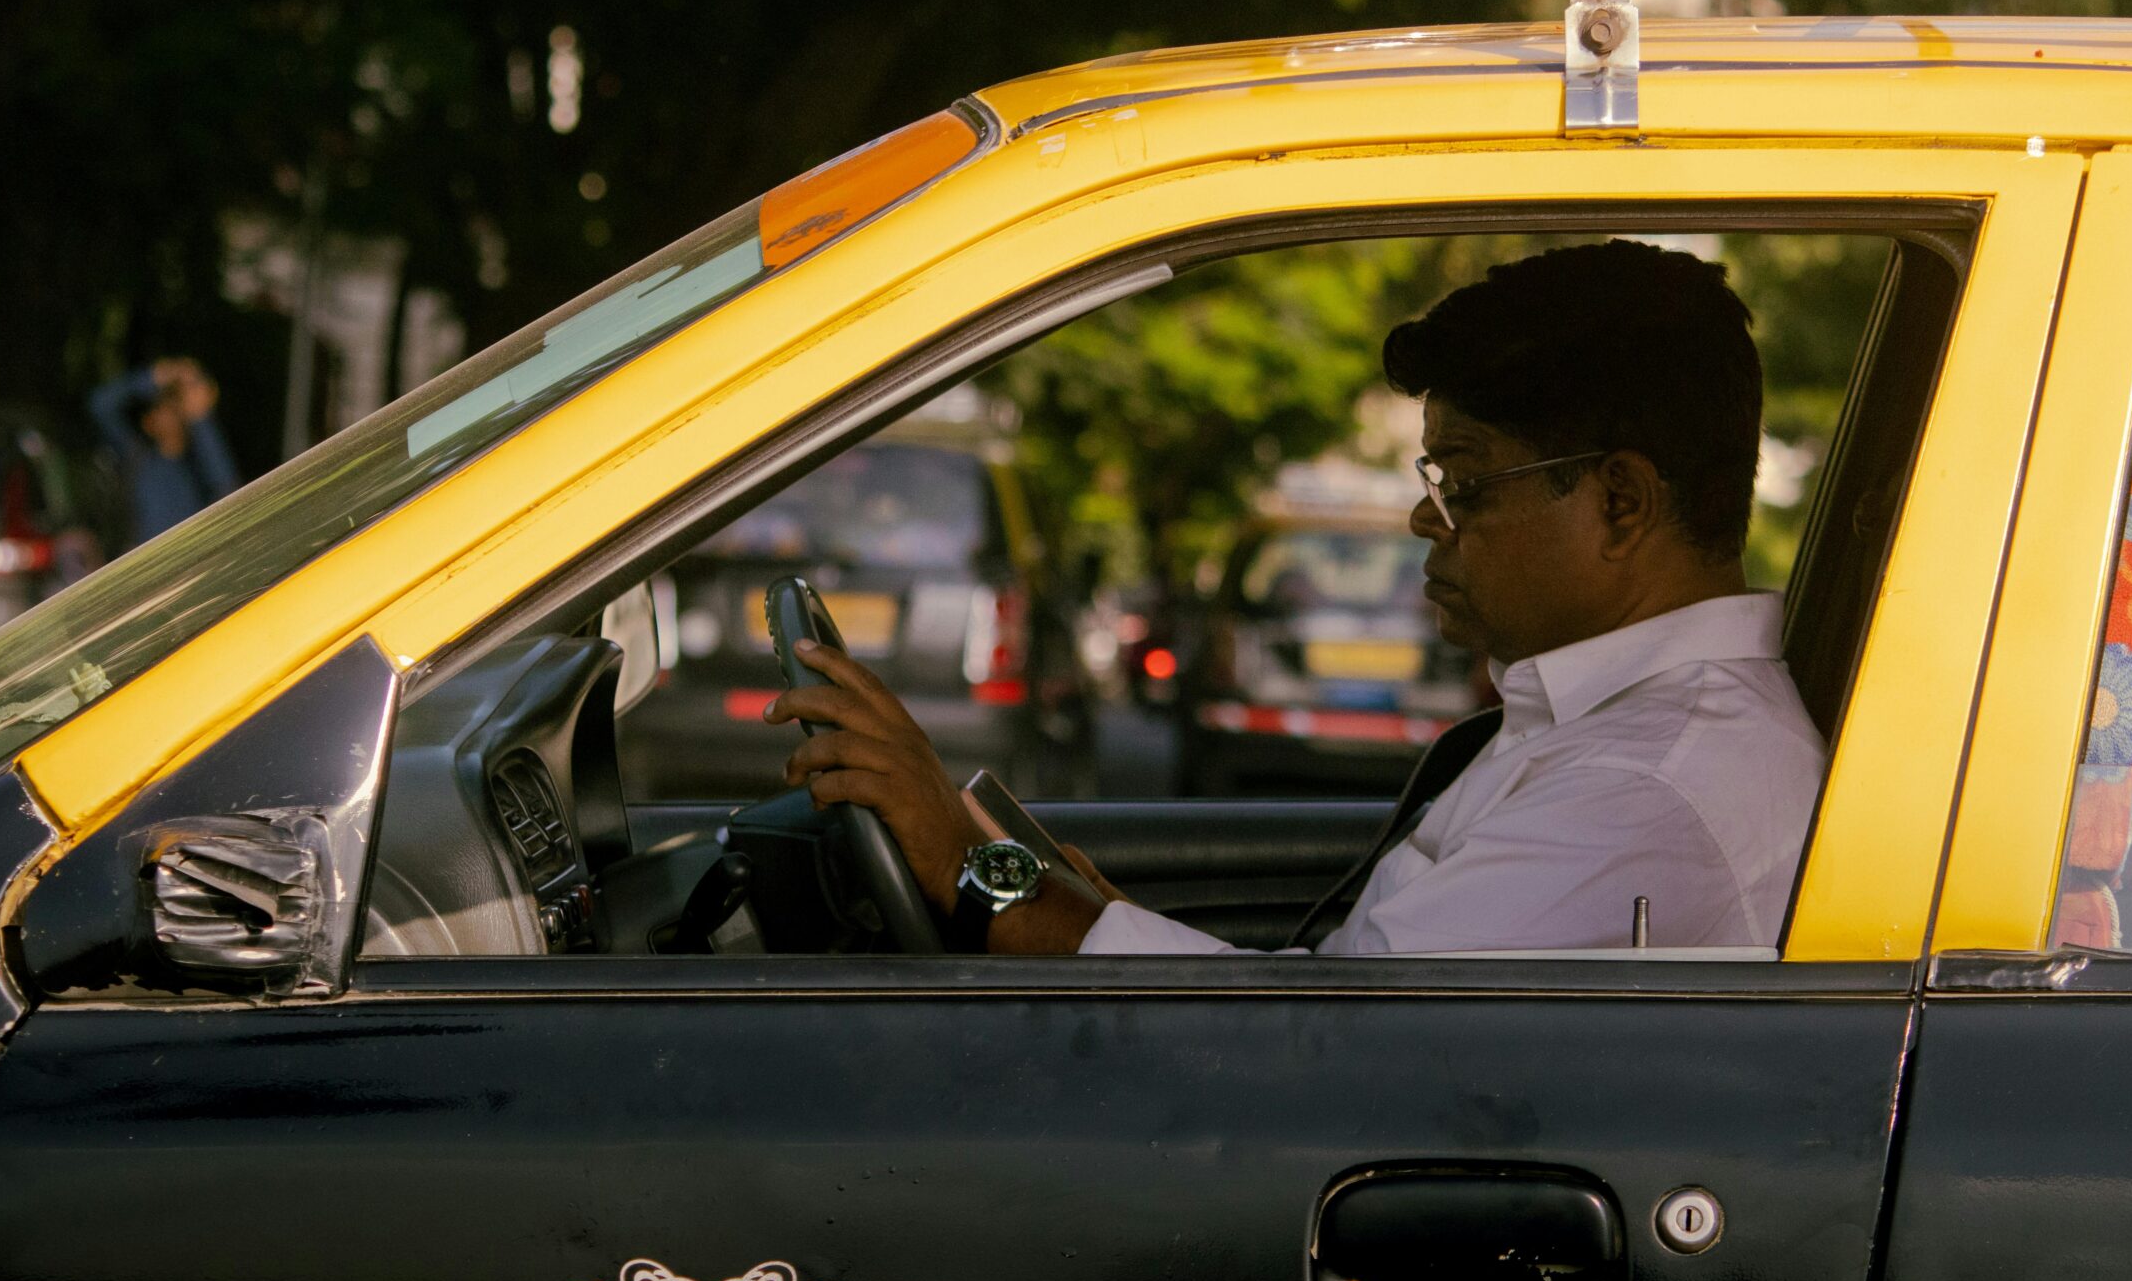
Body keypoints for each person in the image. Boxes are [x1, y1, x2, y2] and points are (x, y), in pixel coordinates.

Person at [766, 240, 1826, 954]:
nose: (1426, 519)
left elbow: (1310, 1054)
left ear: (1622, 504)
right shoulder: (1603, 732)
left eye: (1463, 484)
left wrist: (969, 869)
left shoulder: (1649, 786)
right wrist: (1076, 907)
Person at [87, 358, 240, 550]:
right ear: (148, 421)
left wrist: (201, 417)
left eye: (174, 407)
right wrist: (154, 377)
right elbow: (100, 405)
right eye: (160, 407)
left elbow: (228, 488)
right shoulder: (137, 458)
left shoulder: (198, 470)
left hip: (190, 561)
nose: (167, 414)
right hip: (141, 565)